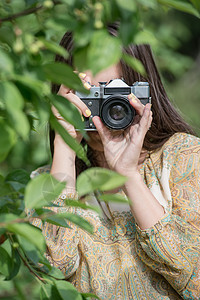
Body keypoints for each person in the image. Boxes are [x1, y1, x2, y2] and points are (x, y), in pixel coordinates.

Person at [30, 24, 200, 299]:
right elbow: (54, 270)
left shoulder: (184, 158)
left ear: (144, 90)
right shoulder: (46, 183)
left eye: (114, 93)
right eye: (87, 94)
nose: (105, 109)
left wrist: (129, 175)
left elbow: (196, 279)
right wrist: (64, 142)